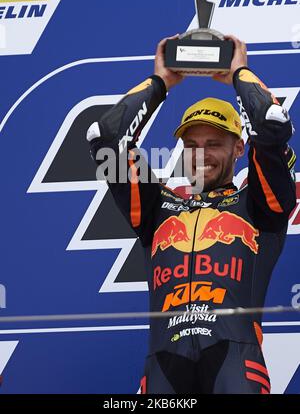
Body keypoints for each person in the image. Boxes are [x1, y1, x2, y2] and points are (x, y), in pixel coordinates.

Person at [86, 35, 296, 394]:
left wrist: (240, 75)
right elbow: (104, 137)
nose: (201, 155)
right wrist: (160, 83)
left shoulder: (261, 206)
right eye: (192, 145)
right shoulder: (155, 208)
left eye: (214, 143)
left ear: (239, 147)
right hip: (164, 366)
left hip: (235, 362)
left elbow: (272, 125)